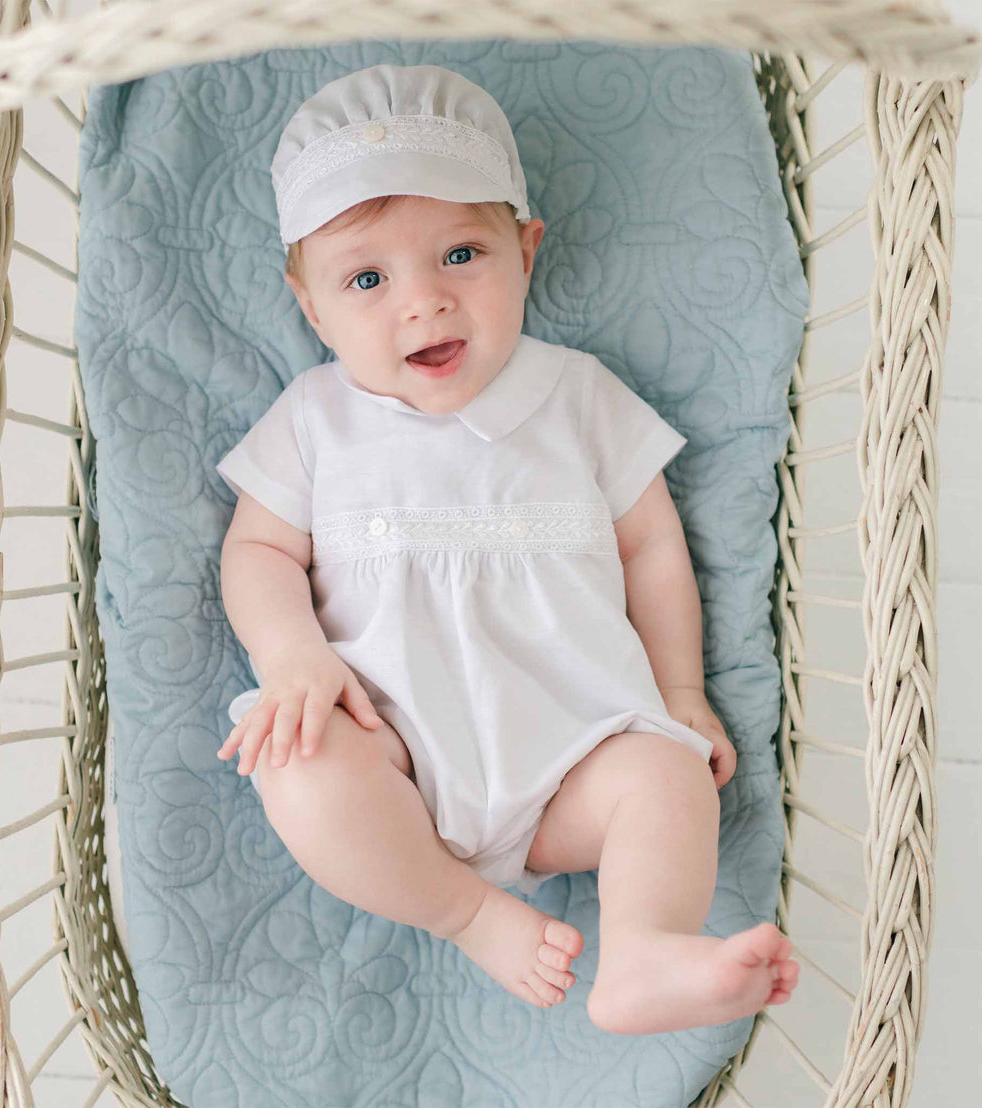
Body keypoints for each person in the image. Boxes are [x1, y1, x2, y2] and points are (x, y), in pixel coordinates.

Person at [214, 63, 799, 1033]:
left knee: (667, 775)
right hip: (390, 746)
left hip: (574, 750)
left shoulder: (579, 396)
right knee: (298, 766)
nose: (424, 304)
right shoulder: (314, 422)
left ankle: (643, 948)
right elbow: (258, 553)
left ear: (524, 250)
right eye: (366, 278)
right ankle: (466, 911)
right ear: (310, 305)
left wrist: (680, 694)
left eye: (460, 255)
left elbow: (653, 544)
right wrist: (293, 657)